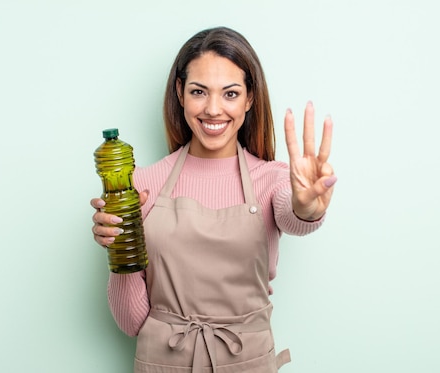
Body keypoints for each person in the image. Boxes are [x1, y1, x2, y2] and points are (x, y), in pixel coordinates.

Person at [90, 26, 336, 373]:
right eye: (199, 91)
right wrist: (119, 250)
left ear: (250, 98)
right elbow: (131, 323)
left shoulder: (272, 180)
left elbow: (292, 214)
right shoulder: (142, 186)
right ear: (180, 92)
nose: (213, 109)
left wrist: (308, 209)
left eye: (231, 94)